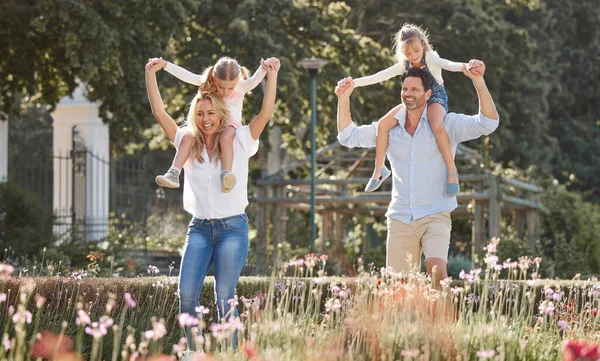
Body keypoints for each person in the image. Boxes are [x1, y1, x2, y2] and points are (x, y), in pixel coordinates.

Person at [145, 56, 279, 357]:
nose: (206, 118)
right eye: (200, 113)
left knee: (223, 297)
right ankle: (192, 352)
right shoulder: (186, 142)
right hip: (200, 230)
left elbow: (265, 112)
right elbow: (159, 112)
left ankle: (228, 355)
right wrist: (150, 75)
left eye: (211, 113)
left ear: (220, 114)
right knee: (187, 293)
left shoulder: (240, 139)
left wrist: (271, 76)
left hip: (233, 228)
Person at [335, 61, 498, 289]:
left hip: (435, 213)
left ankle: (439, 321)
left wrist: (478, 82)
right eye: (405, 89)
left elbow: (488, 123)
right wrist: (344, 100)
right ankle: (408, 324)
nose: (408, 94)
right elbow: (347, 136)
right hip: (400, 216)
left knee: (436, 269)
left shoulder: (445, 124)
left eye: (414, 90)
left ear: (428, 94)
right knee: (398, 287)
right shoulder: (388, 129)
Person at [339, 23, 469, 195]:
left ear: (422, 45)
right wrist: (354, 83)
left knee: (437, 124)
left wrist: (466, 67)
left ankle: (452, 172)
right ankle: (379, 170)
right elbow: (380, 76)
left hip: (434, 98)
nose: (413, 56)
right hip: (413, 102)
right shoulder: (404, 65)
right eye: (407, 53)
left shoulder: (430, 58)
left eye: (416, 51)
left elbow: (448, 64)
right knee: (383, 125)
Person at [150, 56, 269, 193]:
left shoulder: (241, 86)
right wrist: (165, 64)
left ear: (237, 81)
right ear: (213, 78)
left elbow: (255, 80)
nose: (225, 92)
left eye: (230, 88)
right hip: (210, 124)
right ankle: (174, 172)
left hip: (231, 124)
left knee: (225, 138)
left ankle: (226, 174)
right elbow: (187, 76)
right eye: (221, 87)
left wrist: (264, 67)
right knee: (188, 136)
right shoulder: (207, 82)